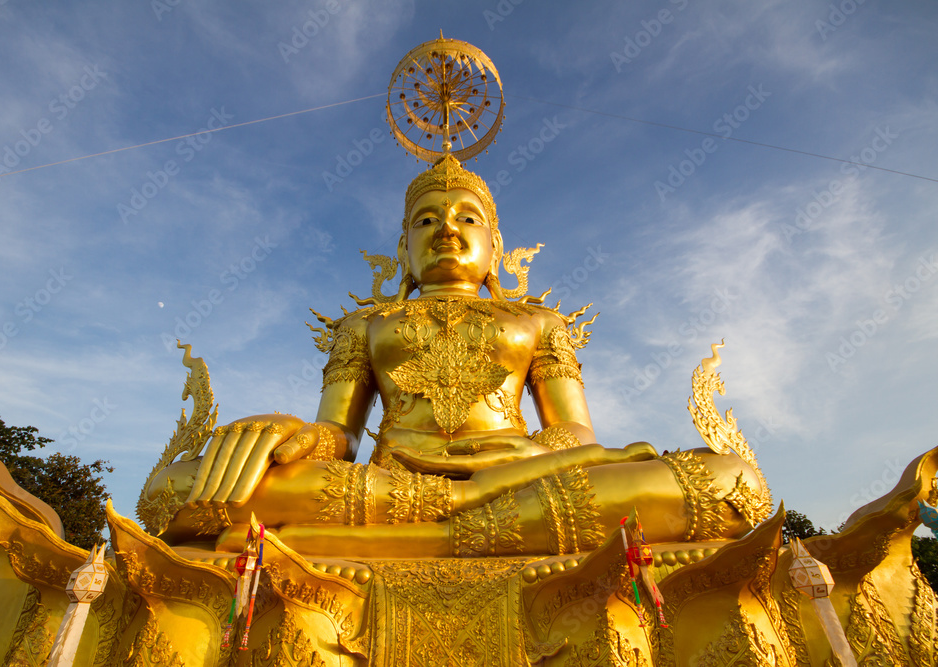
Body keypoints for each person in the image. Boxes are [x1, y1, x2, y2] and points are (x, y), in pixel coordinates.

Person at [156, 155, 766, 557]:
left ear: (495, 245)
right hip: (390, 484)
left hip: (522, 479)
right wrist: (289, 434)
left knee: (732, 484)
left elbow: (576, 432)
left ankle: (426, 531)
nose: (446, 229)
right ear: (403, 247)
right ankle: (453, 517)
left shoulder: (537, 322)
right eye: (426, 220)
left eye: (466, 218)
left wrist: (521, 457)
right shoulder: (366, 324)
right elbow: (337, 433)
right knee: (177, 488)